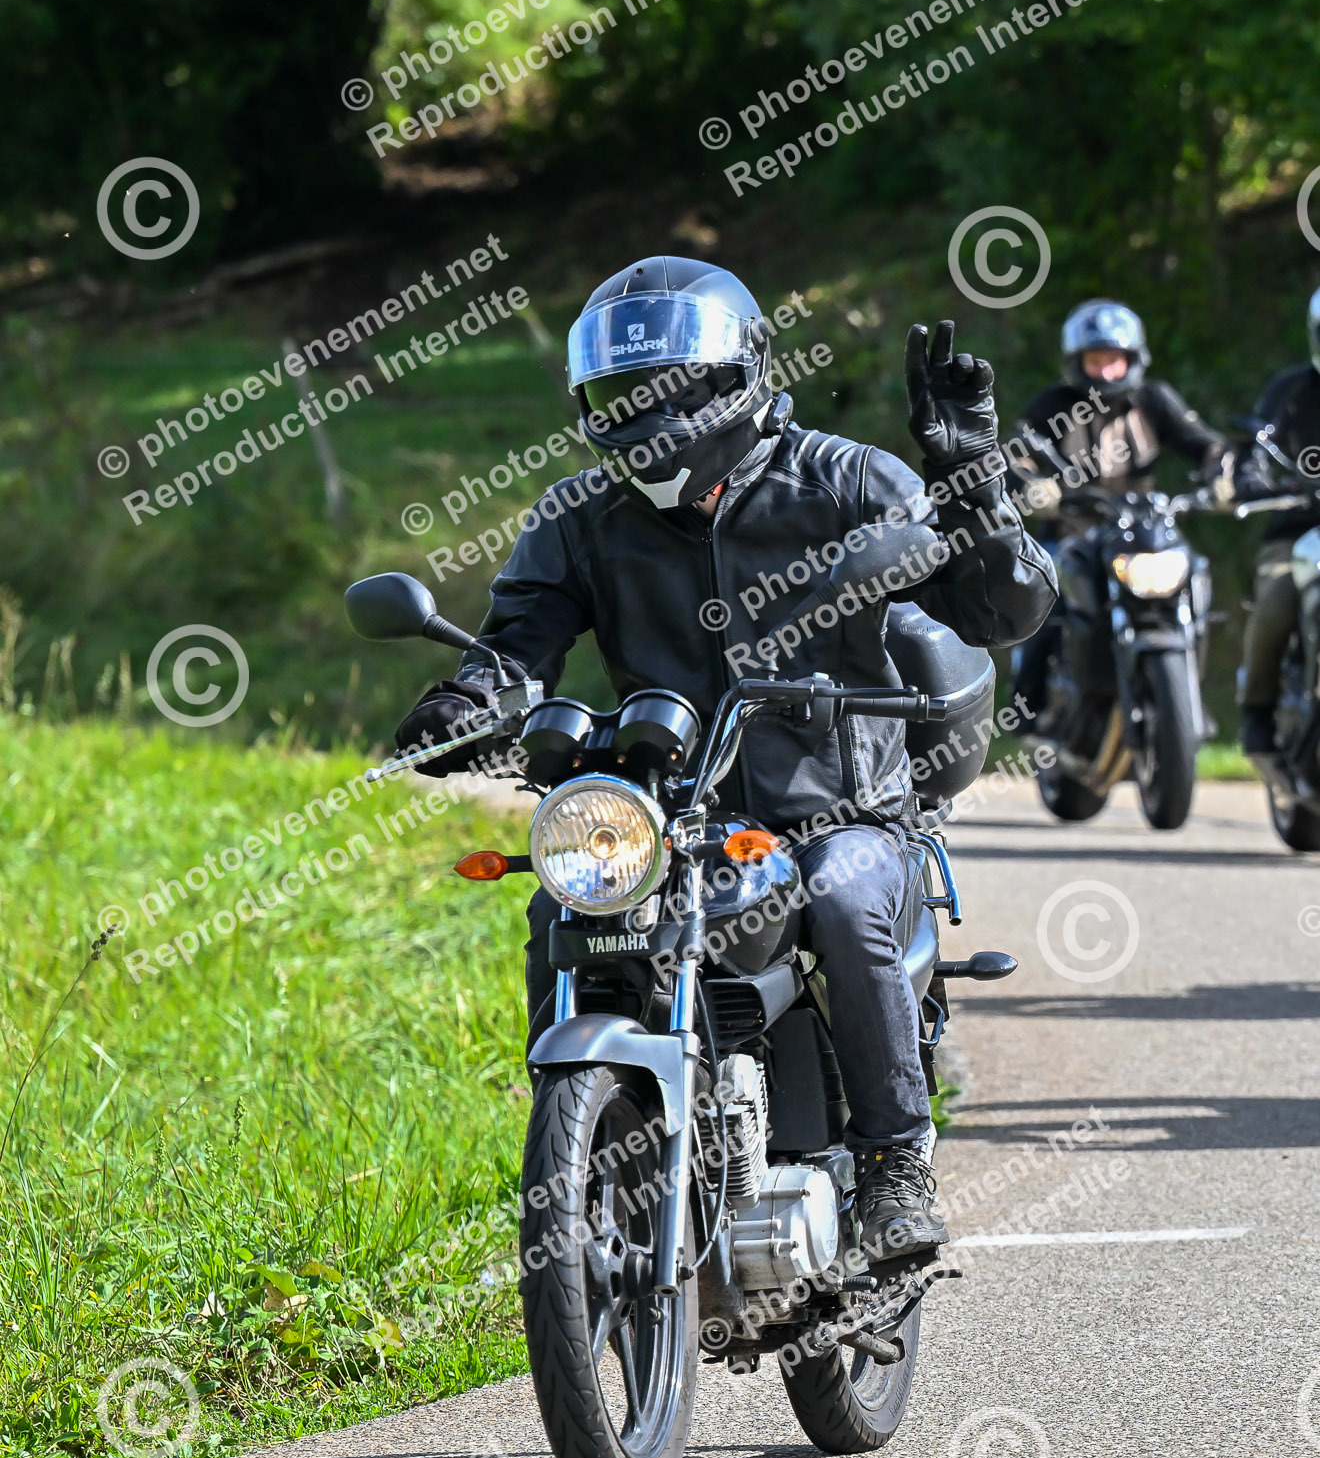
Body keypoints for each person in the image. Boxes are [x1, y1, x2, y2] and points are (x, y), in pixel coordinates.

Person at [396, 256, 1056, 1260]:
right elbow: (517, 645)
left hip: (838, 808)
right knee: (564, 905)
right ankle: (587, 1155)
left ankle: (894, 1163)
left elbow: (1004, 611)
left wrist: (975, 487)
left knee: (843, 896)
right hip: (671, 815)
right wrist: (468, 702)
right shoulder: (579, 518)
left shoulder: (845, 480)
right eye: (622, 396)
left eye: (668, 391)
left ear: (734, 378)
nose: (646, 418)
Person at [1008, 299, 1228, 721]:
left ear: (1133, 359)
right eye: (1096, 360)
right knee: (1044, 600)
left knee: (1195, 575)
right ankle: (1028, 710)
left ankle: (1188, 699)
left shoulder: (1154, 399)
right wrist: (1034, 487)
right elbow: (1018, 454)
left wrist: (1222, 472)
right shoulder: (1053, 404)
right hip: (1072, 533)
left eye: (1115, 359)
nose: (1106, 371)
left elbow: (1204, 442)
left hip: (1143, 532)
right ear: (1077, 363)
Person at [1233, 286, 1320, 755]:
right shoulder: (1291, 390)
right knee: (1280, 595)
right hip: (1296, 532)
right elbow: (1257, 446)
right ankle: (1257, 711)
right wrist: (1253, 477)